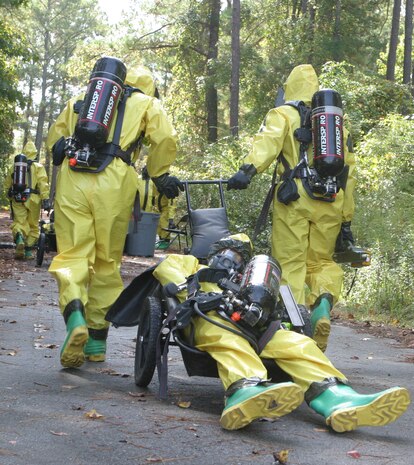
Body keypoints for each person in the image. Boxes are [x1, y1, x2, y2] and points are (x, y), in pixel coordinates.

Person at [152, 234, 410, 431]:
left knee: (299, 344)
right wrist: (197, 291)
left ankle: (337, 397)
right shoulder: (191, 264)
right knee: (229, 339)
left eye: (240, 257)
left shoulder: (248, 281)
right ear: (215, 251)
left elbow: (277, 299)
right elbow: (166, 273)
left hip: (254, 325)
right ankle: (244, 390)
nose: (232, 258)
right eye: (228, 251)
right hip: (207, 317)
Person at [46, 56, 183, 369]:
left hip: (74, 175)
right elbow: (164, 139)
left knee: (72, 255)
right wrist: (160, 174)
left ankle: (75, 316)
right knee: (107, 261)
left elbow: (56, 142)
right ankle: (95, 342)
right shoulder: (148, 104)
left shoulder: (82, 100)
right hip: (116, 179)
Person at [227, 64, 356, 352]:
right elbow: (350, 174)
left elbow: (267, 144)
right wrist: (346, 220)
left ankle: (294, 331)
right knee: (322, 262)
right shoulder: (336, 125)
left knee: (292, 264)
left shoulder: (284, 114)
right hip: (331, 203)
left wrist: (247, 171)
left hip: (295, 200)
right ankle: (322, 305)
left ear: (290, 87)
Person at [5, 141, 50, 260]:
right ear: (35, 153)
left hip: (18, 198)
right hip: (34, 199)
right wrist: (45, 199)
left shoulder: (14, 167)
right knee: (33, 225)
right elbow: (43, 184)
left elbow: (7, 185)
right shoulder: (39, 168)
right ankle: (29, 252)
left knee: (20, 221)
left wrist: (9, 196)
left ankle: (19, 237)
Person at [137, 166, 177, 250]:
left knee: (164, 224)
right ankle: (159, 240)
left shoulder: (169, 188)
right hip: (155, 209)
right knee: (158, 225)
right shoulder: (148, 182)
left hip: (165, 210)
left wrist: (171, 219)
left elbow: (172, 204)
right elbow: (153, 195)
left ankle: (165, 242)